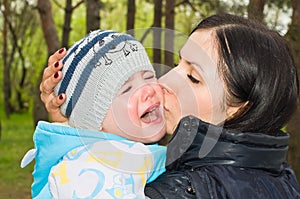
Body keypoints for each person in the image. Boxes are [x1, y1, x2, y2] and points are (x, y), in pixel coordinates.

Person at [40, 13, 300, 198]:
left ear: (239, 108)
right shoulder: (282, 177)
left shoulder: (177, 190)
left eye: (193, 78)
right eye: (178, 64)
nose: (162, 81)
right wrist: (73, 128)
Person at [22, 30, 167, 199]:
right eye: (127, 89)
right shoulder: (90, 171)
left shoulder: (118, 155)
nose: (148, 90)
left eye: (149, 77)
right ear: (93, 121)